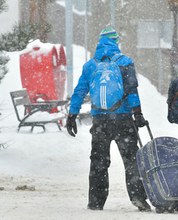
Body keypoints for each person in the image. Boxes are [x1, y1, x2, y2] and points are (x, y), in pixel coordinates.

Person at [66, 27, 151, 211]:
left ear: (100, 42)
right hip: (123, 120)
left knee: (98, 162)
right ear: (115, 42)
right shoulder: (125, 62)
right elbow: (131, 91)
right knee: (131, 160)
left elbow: (80, 91)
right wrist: (138, 114)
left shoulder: (91, 65)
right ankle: (138, 197)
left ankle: (95, 202)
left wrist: (72, 114)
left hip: (100, 121)